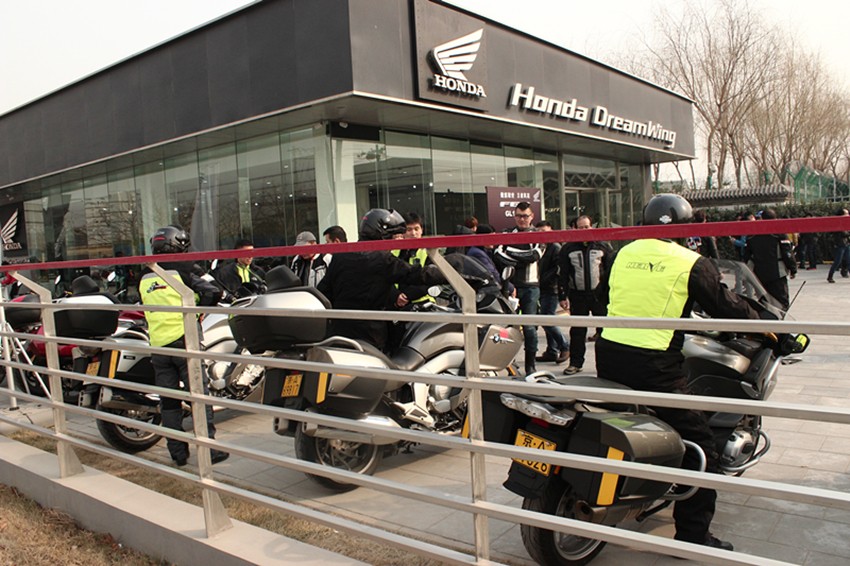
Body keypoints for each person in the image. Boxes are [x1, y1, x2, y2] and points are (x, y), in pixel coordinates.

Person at [596, 194, 763, 551]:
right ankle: (693, 536)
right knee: (702, 447)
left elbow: (600, 298)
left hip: (608, 355)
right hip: (655, 366)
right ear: (685, 227)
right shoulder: (691, 262)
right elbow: (725, 306)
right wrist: (764, 323)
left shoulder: (621, 253)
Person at [140, 225, 229, 467]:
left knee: (168, 402)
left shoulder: (145, 274)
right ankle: (209, 451)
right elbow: (214, 292)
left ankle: (178, 453)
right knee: (198, 396)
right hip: (185, 342)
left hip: (159, 346)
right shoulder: (184, 268)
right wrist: (198, 308)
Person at [317, 209, 444, 351]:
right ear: (382, 235)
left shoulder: (341, 256)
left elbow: (324, 291)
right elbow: (416, 274)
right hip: (370, 334)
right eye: (392, 237)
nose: (394, 242)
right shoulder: (382, 259)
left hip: (339, 331)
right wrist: (451, 272)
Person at [557, 215, 612, 375]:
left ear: (591, 227)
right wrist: (562, 296)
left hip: (599, 296)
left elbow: (610, 271)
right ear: (575, 229)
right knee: (577, 331)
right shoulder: (568, 248)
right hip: (577, 295)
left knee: (605, 331)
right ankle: (575, 363)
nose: (584, 230)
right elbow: (563, 274)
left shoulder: (603, 246)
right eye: (580, 227)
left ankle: (606, 366)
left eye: (586, 227)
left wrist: (609, 293)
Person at [495, 202, 543, 375]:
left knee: (529, 328)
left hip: (531, 287)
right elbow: (498, 255)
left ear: (532, 216)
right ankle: (509, 363)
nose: (522, 219)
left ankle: (530, 365)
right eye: (518, 216)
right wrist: (520, 258)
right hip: (510, 286)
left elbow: (535, 255)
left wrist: (511, 253)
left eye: (525, 216)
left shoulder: (538, 235)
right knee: (507, 327)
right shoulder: (507, 233)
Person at [744, 208, 797, 310]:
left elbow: (747, 255)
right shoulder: (779, 234)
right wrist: (793, 268)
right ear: (775, 219)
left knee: (764, 301)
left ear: (761, 218)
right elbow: (787, 253)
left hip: (759, 273)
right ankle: (779, 319)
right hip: (777, 273)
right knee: (781, 302)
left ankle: (766, 318)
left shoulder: (752, 235)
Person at [534, 221, 569, 364]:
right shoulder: (538, 247)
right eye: (538, 232)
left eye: (544, 231)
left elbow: (557, 270)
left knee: (547, 319)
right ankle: (552, 351)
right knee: (548, 319)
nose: (541, 234)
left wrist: (542, 280)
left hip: (551, 288)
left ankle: (564, 346)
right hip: (541, 288)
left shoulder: (555, 247)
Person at [392, 213, 434, 306]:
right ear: (403, 232)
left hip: (423, 302)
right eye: (409, 230)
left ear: (421, 230)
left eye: (416, 229)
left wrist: (406, 296)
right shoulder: (394, 252)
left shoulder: (430, 252)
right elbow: (385, 279)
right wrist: (396, 295)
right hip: (396, 303)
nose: (413, 233)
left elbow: (430, 281)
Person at [827, 208, 850, 283]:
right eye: (846, 214)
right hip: (840, 244)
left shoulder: (846, 223)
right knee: (837, 261)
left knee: (849, 260)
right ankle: (830, 276)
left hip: (846, 244)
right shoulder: (838, 223)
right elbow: (844, 234)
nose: (848, 215)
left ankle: (833, 276)